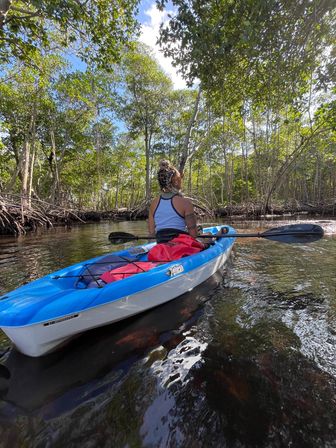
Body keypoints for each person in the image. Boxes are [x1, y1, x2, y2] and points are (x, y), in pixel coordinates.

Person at [148, 160, 199, 243]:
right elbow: (193, 235)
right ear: (175, 181)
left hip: (161, 247)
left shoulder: (153, 203)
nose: (181, 180)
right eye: (179, 178)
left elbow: (151, 233)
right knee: (208, 239)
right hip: (180, 248)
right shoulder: (186, 203)